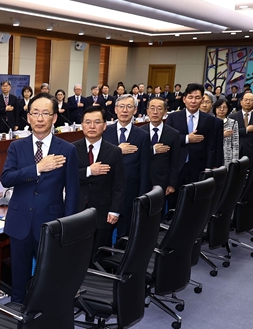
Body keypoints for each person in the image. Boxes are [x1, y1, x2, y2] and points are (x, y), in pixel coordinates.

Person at [1, 93, 79, 303]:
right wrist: (38, 168)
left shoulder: (67, 150)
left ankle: (47, 316)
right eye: (35, 113)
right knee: (18, 282)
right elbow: (6, 178)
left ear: (55, 118)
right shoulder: (16, 147)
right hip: (19, 223)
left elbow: (72, 192)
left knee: (50, 279)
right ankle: (17, 316)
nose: (40, 118)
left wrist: (67, 227)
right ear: (28, 117)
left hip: (51, 224)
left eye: (45, 113)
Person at [74, 105, 125, 259]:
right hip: (77, 210)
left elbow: (119, 184)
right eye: (87, 122)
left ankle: (100, 274)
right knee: (77, 254)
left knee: (100, 254)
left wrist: (115, 210)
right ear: (82, 125)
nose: (92, 126)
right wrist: (89, 171)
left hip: (103, 212)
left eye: (97, 122)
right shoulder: (71, 149)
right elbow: (66, 176)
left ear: (104, 126)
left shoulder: (114, 151)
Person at [103, 94, 151, 238]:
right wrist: (118, 150)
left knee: (126, 232)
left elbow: (145, 168)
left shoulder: (142, 135)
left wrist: (142, 196)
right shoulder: (105, 132)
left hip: (131, 190)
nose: (125, 110)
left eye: (129, 107)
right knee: (104, 231)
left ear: (135, 110)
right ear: (115, 109)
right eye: (121, 106)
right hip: (107, 189)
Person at [164, 83, 217, 208]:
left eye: (197, 98)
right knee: (174, 203)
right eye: (190, 97)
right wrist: (187, 138)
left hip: (198, 167)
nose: (193, 101)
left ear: (202, 99)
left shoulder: (209, 119)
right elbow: (168, 140)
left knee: (195, 204)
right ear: (184, 99)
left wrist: (208, 169)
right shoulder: (173, 117)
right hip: (177, 167)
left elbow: (211, 146)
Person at [141, 97, 181, 195]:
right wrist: (153, 150)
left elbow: (175, 161)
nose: (155, 112)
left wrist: (172, 184)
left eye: (159, 108)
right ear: (147, 111)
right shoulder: (139, 132)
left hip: (163, 180)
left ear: (165, 112)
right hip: (142, 179)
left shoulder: (174, 134)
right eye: (152, 108)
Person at [229, 92, 253, 160]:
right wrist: (246, 130)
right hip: (235, 150)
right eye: (245, 100)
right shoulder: (232, 117)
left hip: (251, 151)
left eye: (251, 100)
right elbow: (230, 133)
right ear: (241, 102)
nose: (248, 102)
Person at [213, 99, 239, 166]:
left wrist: (234, 161)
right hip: (213, 155)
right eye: (219, 107)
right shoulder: (210, 121)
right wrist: (221, 135)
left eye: (224, 107)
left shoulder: (233, 123)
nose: (222, 109)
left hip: (227, 156)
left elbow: (235, 143)